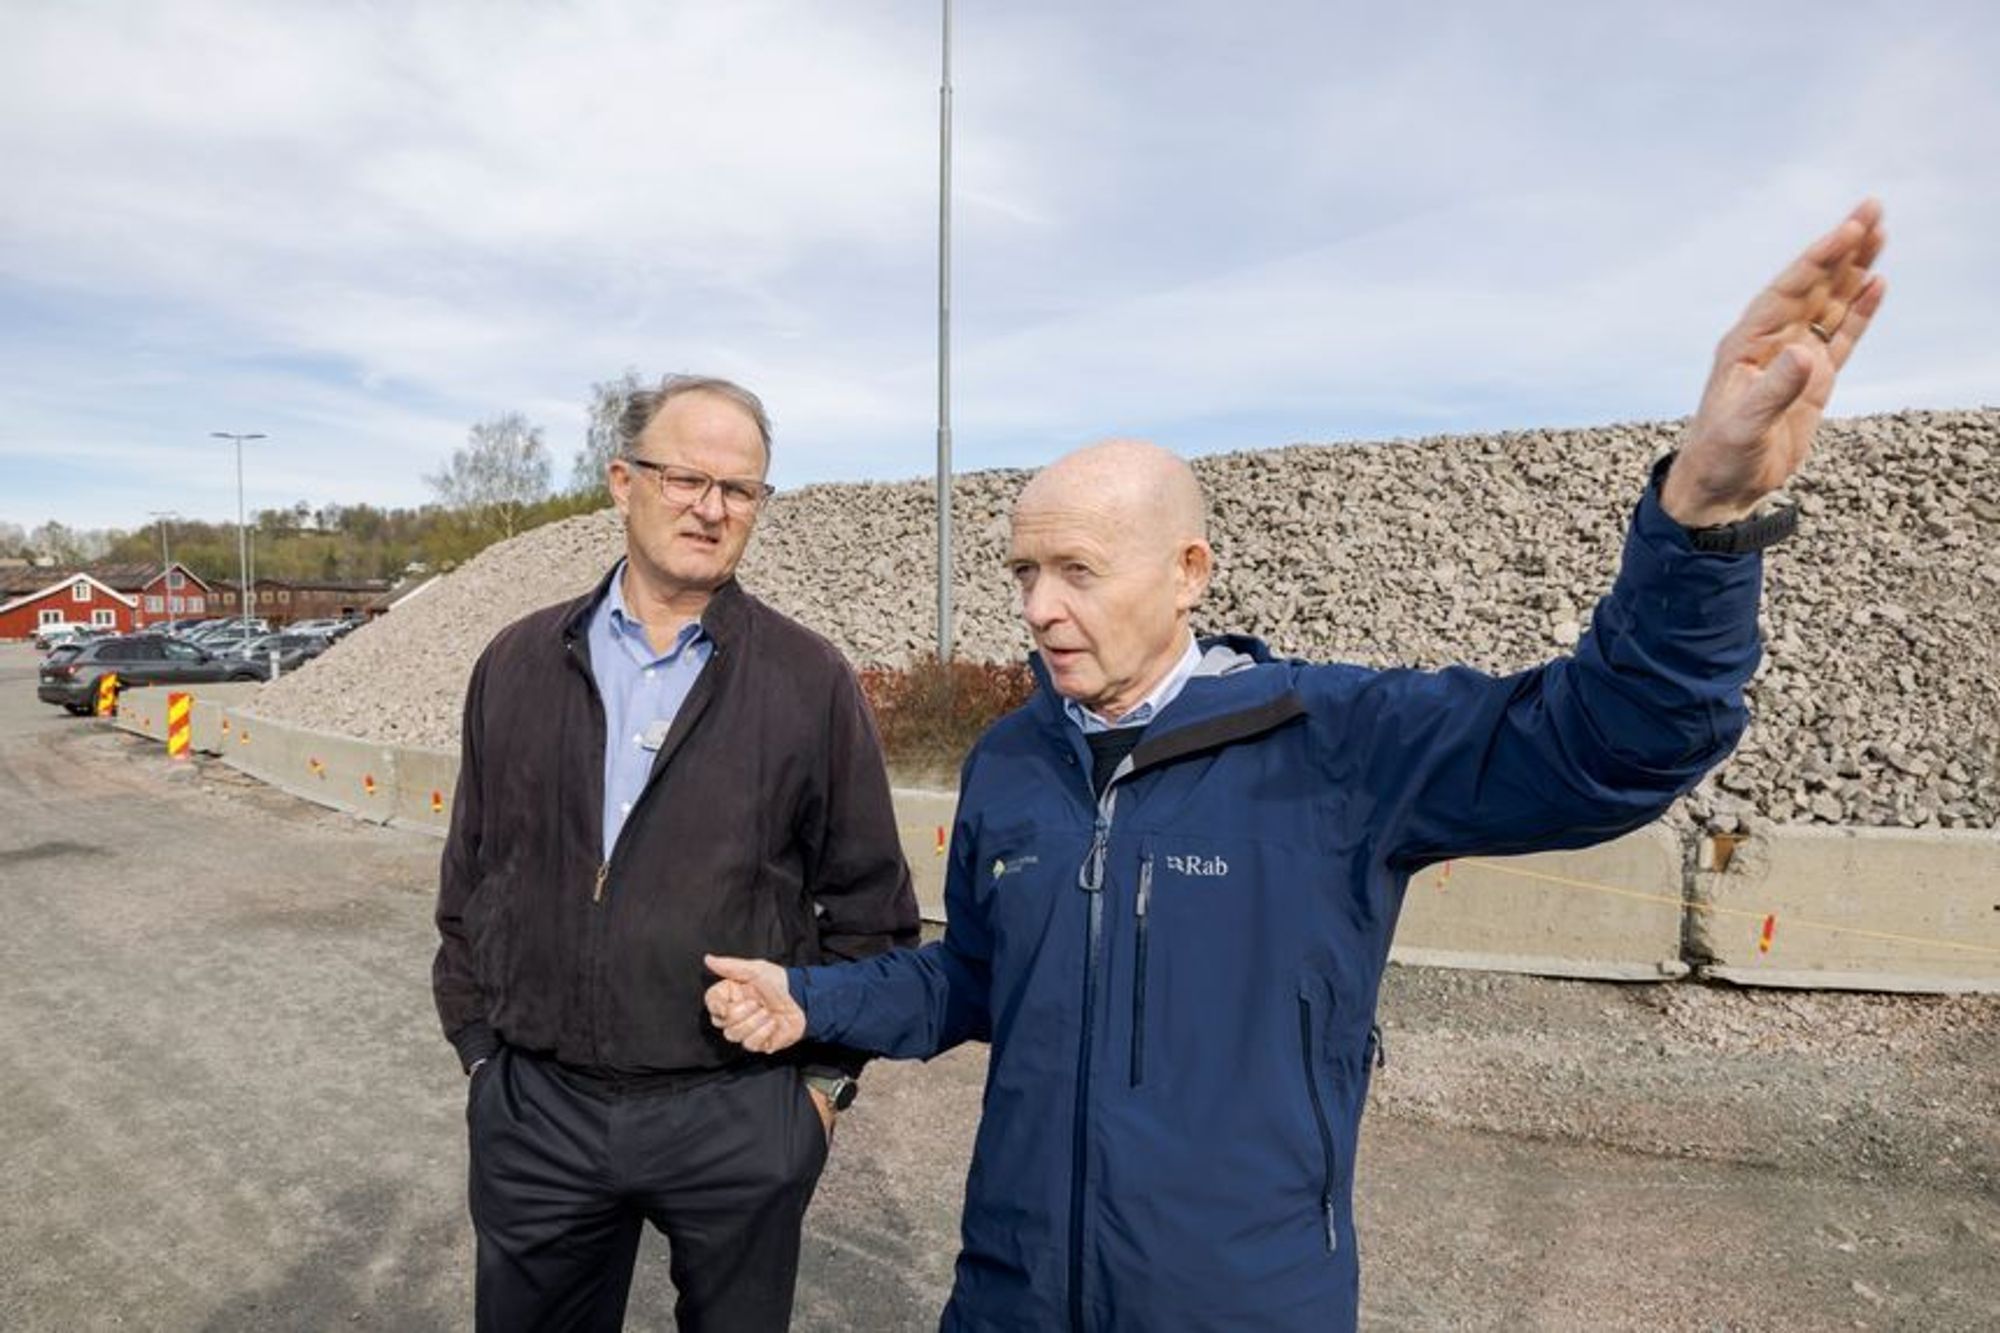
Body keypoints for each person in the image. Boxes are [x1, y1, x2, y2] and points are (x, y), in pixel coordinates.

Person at [702, 200, 1888, 1332]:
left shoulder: (1336, 741)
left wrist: (1699, 519)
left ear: (1187, 570)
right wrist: (813, 999)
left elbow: (1614, 742)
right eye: (1024, 573)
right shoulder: (1013, 757)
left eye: (1076, 571)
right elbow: (973, 977)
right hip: (1011, 1295)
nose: (1039, 608)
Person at [433, 373, 920, 1331]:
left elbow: (872, 910)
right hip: (541, 1110)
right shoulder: (517, 662)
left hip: (734, 1113)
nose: (711, 508)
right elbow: (473, 874)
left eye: (740, 489)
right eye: (686, 478)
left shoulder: (809, 680)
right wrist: (483, 1056)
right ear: (623, 482)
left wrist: (818, 1093)